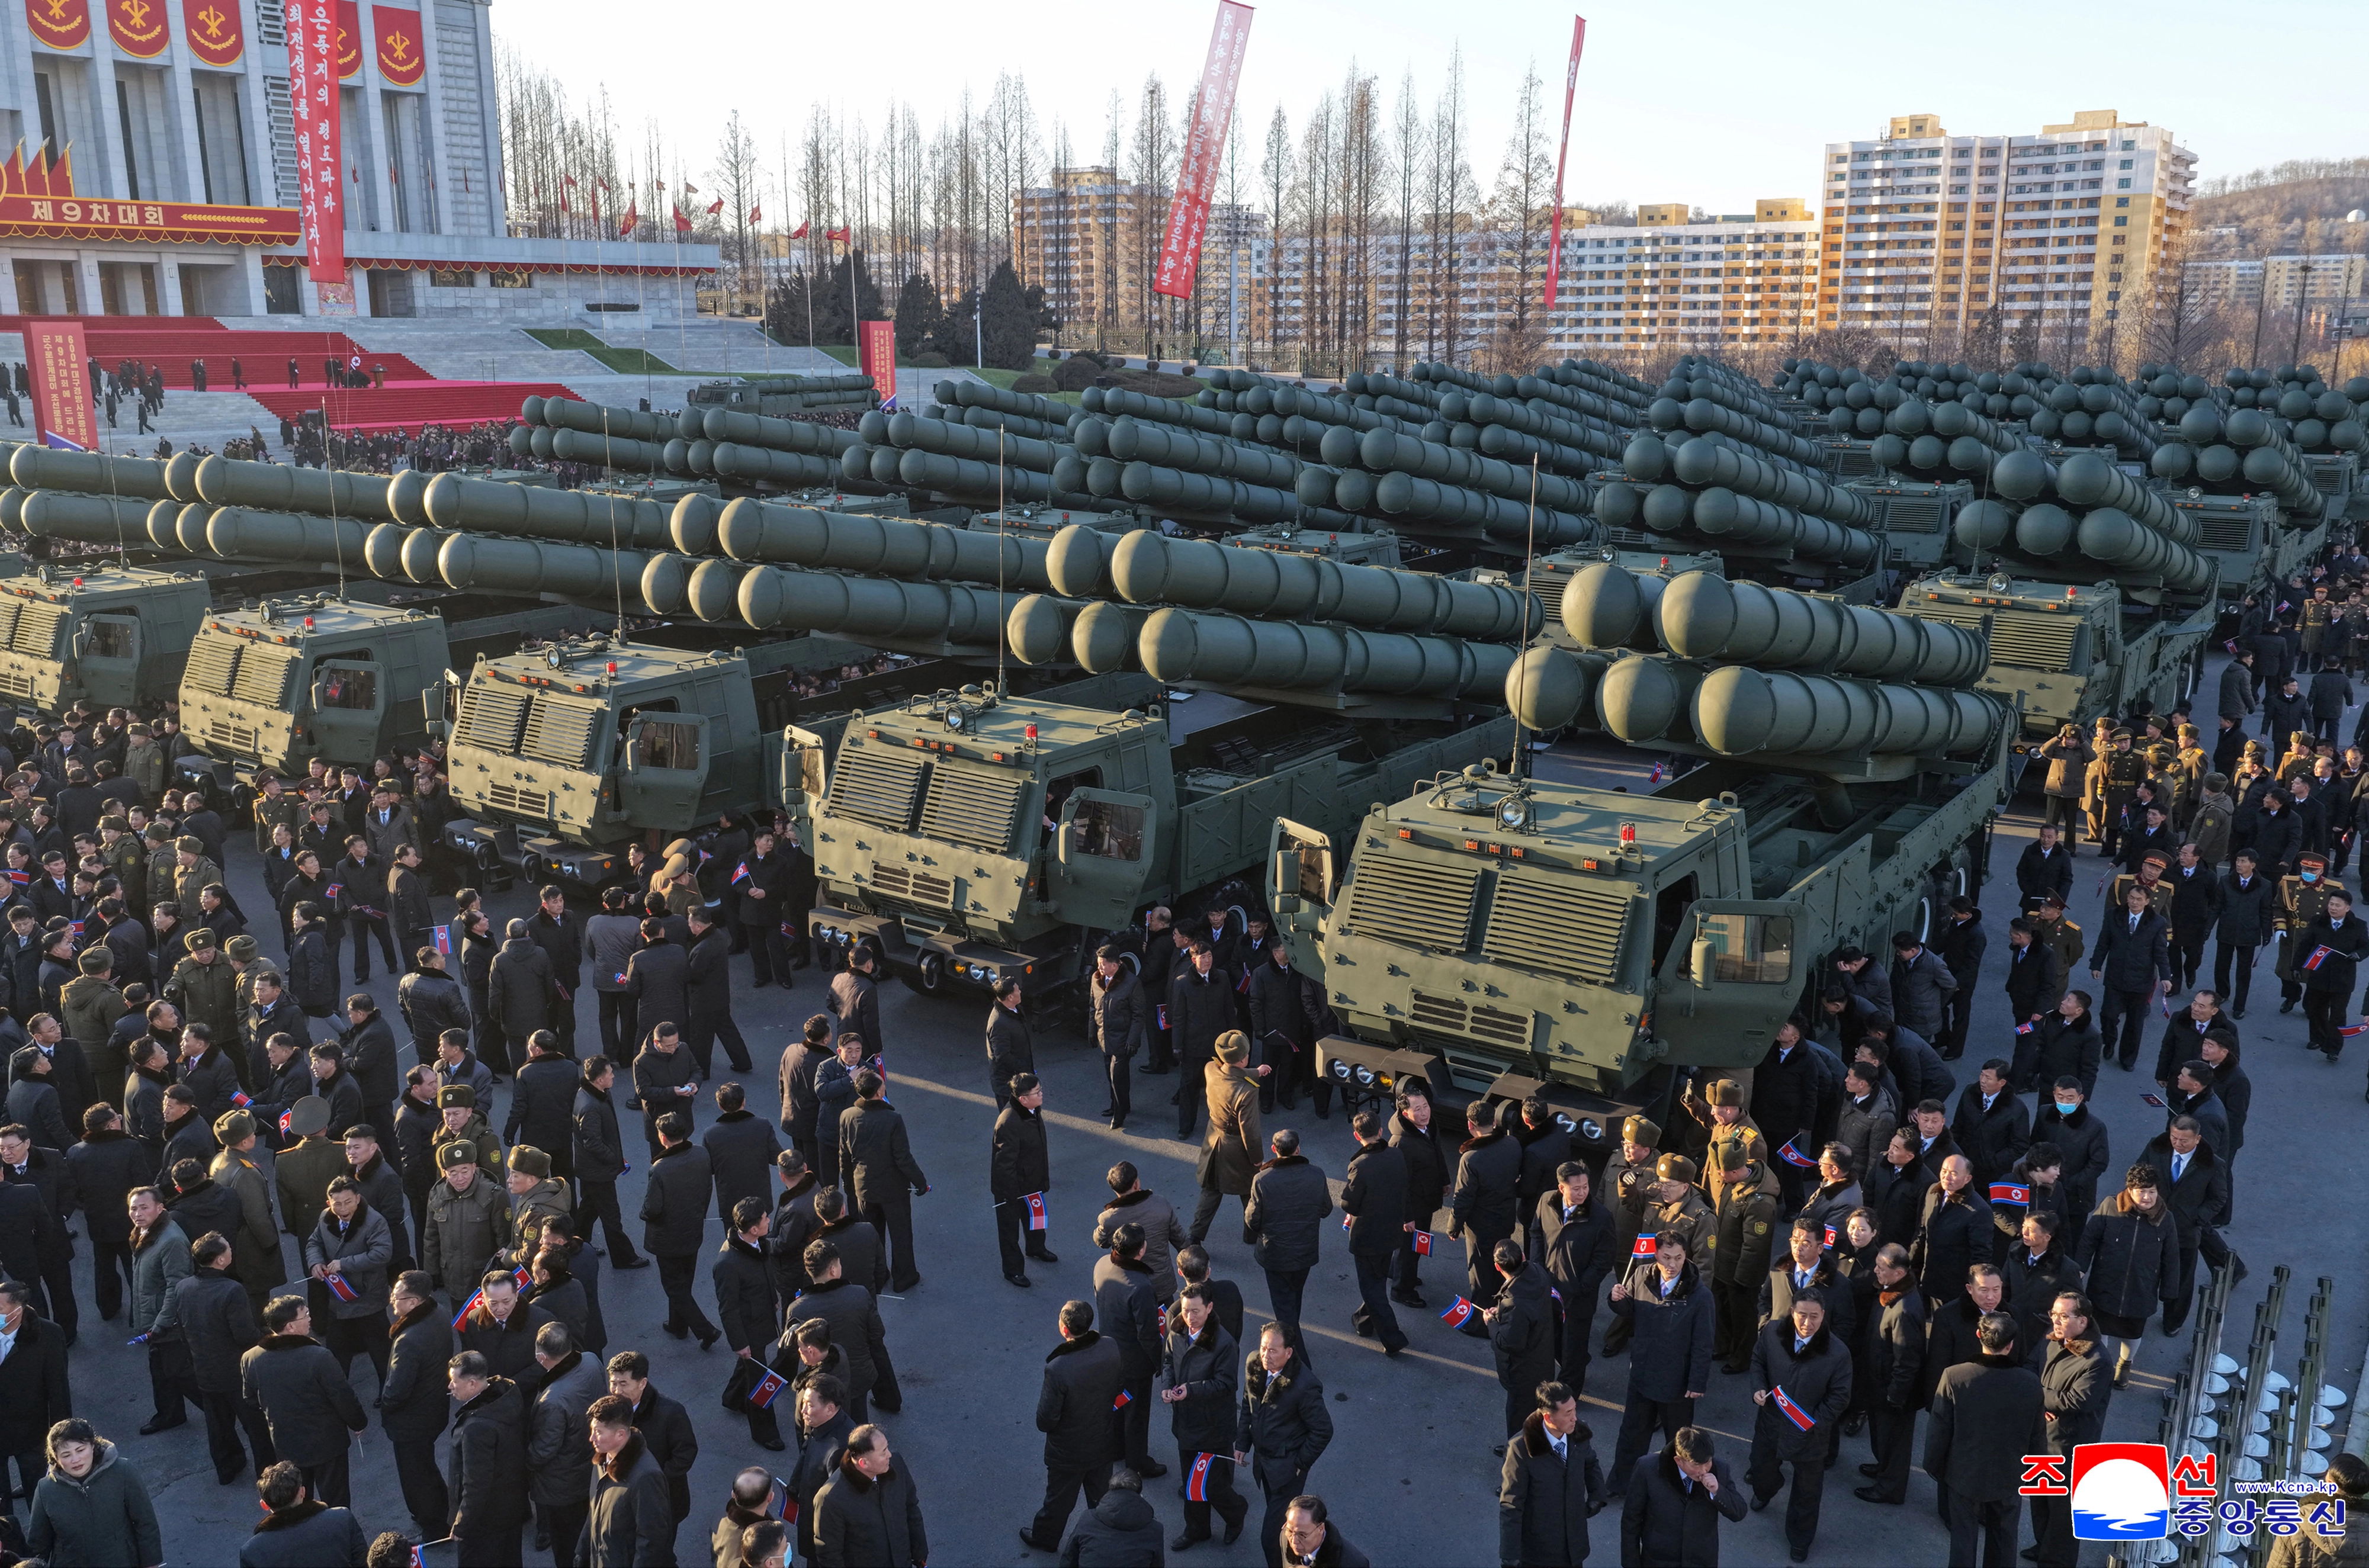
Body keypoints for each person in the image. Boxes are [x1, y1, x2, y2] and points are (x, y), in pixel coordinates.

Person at [1924, 1311, 2046, 1568]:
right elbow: (2037, 1435)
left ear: (1979, 1335)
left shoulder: (1955, 1376)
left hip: (1964, 1473)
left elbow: (1940, 1428)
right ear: (2011, 1344)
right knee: (2004, 1541)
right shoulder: (2030, 1383)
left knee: (1963, 1540)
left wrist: (1933, 1466)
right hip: (2010, 1475)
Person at [1744, 1291, 1852, 1564]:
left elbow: (1840, 1396)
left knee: (1807, 1494)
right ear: (1792, 1312)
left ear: (1823, 1316)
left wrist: (1815, 1422)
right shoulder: (1772, 1333)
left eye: (1814, 1317)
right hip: (1771, 1424)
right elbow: (1758, 1361)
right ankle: (1766, 1490)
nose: (1807, 1322)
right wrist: (1758, 1387)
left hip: (1810, 1436)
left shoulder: (1838, 1353)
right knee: (1761, 1472)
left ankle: (1800, 1540)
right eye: (1802, 1315)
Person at [241, 1293, 368, 1507]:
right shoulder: (319, 1357)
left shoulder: (251, 1358)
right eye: (306, 1315)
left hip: (286, 1444)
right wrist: (358, 1423)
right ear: (290, 1327)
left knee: (298, 1503)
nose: (310, 1318)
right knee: (336, 1501)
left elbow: (251, 1399)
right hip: (328, 1443)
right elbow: (342, 1396)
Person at [1607, 1232, 1713, 1485]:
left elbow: (1704, 1343)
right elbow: (1629, 1310)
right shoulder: (1642, 1275)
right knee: (1632, 1433)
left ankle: (1674, 1487)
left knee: (1677, 1442)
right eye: (1666, 1257)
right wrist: (1616, 1300)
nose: (1672, 1265)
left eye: (1678, 1257)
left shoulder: (1700, 1296)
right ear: (1656, 1255)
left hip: (1676, 1383)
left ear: (1686, 1256)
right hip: (1642, 1373)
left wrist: (1697, 1382)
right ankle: (1620, 1483)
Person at [1020, 1297, 1123, 1554]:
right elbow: (1118, 1388)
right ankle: (1105, 1541)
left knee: (1059, 1500)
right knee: (1102, 1497)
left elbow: (1046, 1420)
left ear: (1065, 1329)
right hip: (1102, 1440)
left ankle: (1046, 1538)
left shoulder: (1058, 1368)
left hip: (1068, 1451)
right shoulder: (1110, 1347)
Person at [1235, 1320, 1332, 1568]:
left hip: (1287, 1470)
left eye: (1273, 1350)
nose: (1265, 1355)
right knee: (1283, 1528)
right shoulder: (1254, 1364)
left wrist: (1300, 1463)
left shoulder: (1304, 1386)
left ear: (1289, 1353)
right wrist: (1243, 1443)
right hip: (1265, 1464)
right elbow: (1249, 1403)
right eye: (1264, 1348)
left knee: (1270, 1537)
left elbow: (1323, 1430)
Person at [1160, 1284, 1246, 1549]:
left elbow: (1226, 1385)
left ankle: (1236, 1514)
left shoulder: (1224, 1344)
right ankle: (1197, 1529)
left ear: (1209, 1308)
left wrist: (1190, 1391)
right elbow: (1168, 1361)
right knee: (1191, 1483)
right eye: (1186, 1310)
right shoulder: (1177, 1330)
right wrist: (1167, 1385)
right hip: (1186, 1422)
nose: (1189, 1317)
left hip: (1213, 1426)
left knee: (1213, 1485)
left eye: (1196, 1311)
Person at [2031, 1292, 2111, 1568]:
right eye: (2054, 1313)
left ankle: (2057, 1561)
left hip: (2070, 1444)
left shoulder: (2097, 1360)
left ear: (2082, 1321)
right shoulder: (2051, 1339)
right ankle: (2043, 1547)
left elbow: (2078, 1400)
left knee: (2063, 1510)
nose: (2056, 1320)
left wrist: (2039, 1396)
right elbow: (2031, 1368)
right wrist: (2039, 1401)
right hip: (2043, 1435)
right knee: (2040, 1496)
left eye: (2064, 1316)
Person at [2139, 1116, 2238, 1335]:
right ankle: (2139, 1314)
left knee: (2181, 1281)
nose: (2178, 1143)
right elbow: (2138, 1174)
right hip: (2152, 1224)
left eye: (2184, 1140)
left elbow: (2219, 1198)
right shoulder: (2156, 1148)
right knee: (2145, 1273)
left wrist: (2196, 1218)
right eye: (2174, 1137)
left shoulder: (2212, 1164)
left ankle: (2173, 1321)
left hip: (2185, 1232)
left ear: (2198, 1139)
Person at [1848, 1244, 1930, 1507]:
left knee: (1894, 1441)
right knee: (1883, 1436)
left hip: (1893, 1392)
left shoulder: (1904, 1309)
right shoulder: (1890, 1294)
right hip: (1879, 1383)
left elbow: (1907, 1360)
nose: (1876, 1271)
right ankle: (1884, 1467)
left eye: (1881, 1269)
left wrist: (1895, 1396)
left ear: (1898, 1273)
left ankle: (1889, 1488)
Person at [26, 1416, 164, 1568]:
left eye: (80, 1450)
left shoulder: (123, 1472)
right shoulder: (45, 1489)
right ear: (56, 1458)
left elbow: (145, 1523)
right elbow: (38, 1544)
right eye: (66, 1455)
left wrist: (151, 1564)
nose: (75, 1459)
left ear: (93, 1445)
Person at [1246, 1126, 1331, 1370]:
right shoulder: (1316, 1174)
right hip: (1305, 1251)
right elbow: (1326, 1210)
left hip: (1275, 1254)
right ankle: (1293, 1337)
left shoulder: (1263, 1180)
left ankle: (1298, 1361)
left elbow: (1252, 1221)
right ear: (1298, 1149)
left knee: (1284, 1306)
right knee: (1294, 1298)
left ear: (1274, 1150)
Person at [378, 1270, 454, 1543]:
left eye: (396, 1297)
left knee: (416, 1477)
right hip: (434, 1409)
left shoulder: (408, 1340)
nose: (391, 1301)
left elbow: (396, 1391)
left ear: (413, 1302)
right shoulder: (440, 1312)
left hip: (412, 1422)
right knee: (426, 1467)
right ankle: (442, 1510)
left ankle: (433, 1526)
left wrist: (385, 1405)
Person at [1498, 1379, 1604, 1568]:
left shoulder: (1578, 1432)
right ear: (1548, 1418)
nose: (1575, 1418)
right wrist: (1510, 1555)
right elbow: (1512, 1504)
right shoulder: (1520, 1449)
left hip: (1574, 1544)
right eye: (1568, 1413)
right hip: (1540, 1551)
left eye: (1575, 1409)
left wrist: (1597, 1495)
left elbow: (1591, 1463)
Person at [839, 1067, 928, 1292]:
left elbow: (844, 1155)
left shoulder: (847, 1116)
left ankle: (876, 1278)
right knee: (901, 1235)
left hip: (863, 1187)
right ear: (879, 1093)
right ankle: (905, 1277)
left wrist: (849, 1186)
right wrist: (920, 1182)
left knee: (871, 1236)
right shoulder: (892, 1119)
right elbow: (903, 1158)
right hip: (893, 1189)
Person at [304, 1173, 394, 1389]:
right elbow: (314, 1243)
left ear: (358, 1199)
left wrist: (345, 1263)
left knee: (381, 1354)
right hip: (339, 1300)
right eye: (337, 1204)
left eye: (348, 1202)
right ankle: (337, 1395)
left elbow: (383, 1253)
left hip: (368, 1299)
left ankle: (389, 1392)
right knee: (336, 1354)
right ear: (329, 1203)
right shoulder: (326, 1218)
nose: (343, 1209)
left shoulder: (374, 1221)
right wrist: (316, 1263)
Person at [786, 1241, 890, 1425]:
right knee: (858, 1422)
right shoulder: (859, 1294)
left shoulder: (797, 1309)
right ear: (833, 1270)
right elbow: (877, 1333)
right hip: (858, 1375)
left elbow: (796, 1352)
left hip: (822, 1385)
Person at [1092, 1222, 1164, 1483]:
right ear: (1141, 1251)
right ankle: (1137, 1462)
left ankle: (1115, 1447)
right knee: (1136, 1412)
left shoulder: (1102, 1265)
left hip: (1108, 1351)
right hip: (1134, 1362)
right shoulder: (1141, 1287)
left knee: (1117, 1403)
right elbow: (1148, 1333)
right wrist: (1160, 1362)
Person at [643, 1110, 720, 1349]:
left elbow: (652, 1208)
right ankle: (678, 1325)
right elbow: (707, 1189)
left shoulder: (661, 1168)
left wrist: (643, 1214)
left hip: (667, 1236)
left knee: (675, 1287)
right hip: (693, 1227)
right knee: (684, 1281)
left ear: (663, 1137)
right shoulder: (701, 1154)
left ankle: (705, 1330)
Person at [609, 1350, 699, 1548]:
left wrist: (655, 1481)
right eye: (613, 1383)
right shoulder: (610, 1410)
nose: (616, 1391)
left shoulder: (671, 1413)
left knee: (658, 1553)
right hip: (622, 1501)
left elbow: (686, 1453)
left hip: (662, 1502)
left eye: (624, 1384)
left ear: (642, 1383)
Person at [0, 1279, 70, 1534]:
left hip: (30, 1430)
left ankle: (43, 1543)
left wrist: (63, 1438)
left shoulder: (49, 1335)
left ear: (18, 1309)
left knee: (38, 1493)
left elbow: (59, 1390)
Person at [1340, 1109, 1411, 1356]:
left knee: (1371, 1288)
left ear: (1356, 1136)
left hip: (1367, 1236)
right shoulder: (1396, 1155)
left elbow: (1350, 1204)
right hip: (1391, 1230)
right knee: (1378, 1280)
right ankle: (1363, 1321)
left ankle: (1393, 1339)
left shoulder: (1359, 1165)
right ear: (1381, 1131)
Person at [813, 1423, 927, 1567]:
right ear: (864, 1463)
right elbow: (829, 1555)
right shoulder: (831, 1499)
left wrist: (920, 1552)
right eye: (883, 1452)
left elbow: (911, 1508)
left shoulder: (896, 1464)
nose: (890, 1455)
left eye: (887, 1448)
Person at [582, 1392, 675, 1568]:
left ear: (620, 1435)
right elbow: (594, 1515)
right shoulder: (602, 1462)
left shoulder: (646, 1477)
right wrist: (581, 1554)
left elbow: (651, 1541)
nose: (592, 1438)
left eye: (598, 1432)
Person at [1191, 1032, 1267, 1243]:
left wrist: (1256, 1072)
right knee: (1250, 1194)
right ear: (1244, 1058)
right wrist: (1257, 1158)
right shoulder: (1247, 1091)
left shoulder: (1210, 1070)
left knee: (1211, 1192)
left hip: (1214, 1141)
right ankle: (1251, 1236)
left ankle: (1195, 1236)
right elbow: (1250, 1130)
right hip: (1237, 1148)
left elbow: (1229, 1070)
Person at [2090, 881, 2174, 1071]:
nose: (2134, 902)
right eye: (2131, 898)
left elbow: (2161, 952)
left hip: (2141, 979)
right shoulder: (2113, 915)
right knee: (2108, 1015)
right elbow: (2104, 942)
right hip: (2116, 975)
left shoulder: (2157, 922)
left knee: (2135, 1024)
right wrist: (2096, 965)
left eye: (2139, 899)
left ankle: (2128, 1058)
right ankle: (2109, 1041)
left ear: (2147, 902)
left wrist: (2166, 977)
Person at [572, 1056, 646, 1270]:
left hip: (591, 1168)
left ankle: (578, 1244)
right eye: (609, 1073)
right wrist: (614, 1157)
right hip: (597, 1171)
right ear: (599, 1079)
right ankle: (624, 1257)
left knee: (589, 1208)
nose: (613, 1076)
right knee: (612, 1217)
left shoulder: (594, 1095)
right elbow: (593, 1142)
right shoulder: (591, 1106)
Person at [1487, 1238, 1558, 1444]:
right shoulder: (1538, 1274)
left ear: (1497, 1267)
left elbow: (1509, 1342)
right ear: (1524, 1258)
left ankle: (1518, 1454)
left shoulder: (1514, 1302)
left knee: (1519, 1418)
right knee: (1536, 1414)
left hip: (1522, 1372)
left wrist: (1491, 1323)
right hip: (1542, 1358)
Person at [993, 1071, 1058, 1288]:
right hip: (1012, 1189)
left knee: (1037, 1219)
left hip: (1032, 1181)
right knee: (1009, 1231)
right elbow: (1004, 1165)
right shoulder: (1009, 1122)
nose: (1042, 1095)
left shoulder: (1031, 1110)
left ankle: (1036, 1248)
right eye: (1037, 1092)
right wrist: (1011, 1194)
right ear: (1023, 1098)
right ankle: (1012, 1271)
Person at [237, 1459, 368, 1567]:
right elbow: (363, 1563)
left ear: (264, 1505)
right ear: (303, 1493)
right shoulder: (342, 1518)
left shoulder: (252, 1552)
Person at [1169, 939, 1236, 1139]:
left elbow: (1229, 1010)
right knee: (1189, 1085)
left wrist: (1234, 1037)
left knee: (1222, 1087)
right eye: (1203, 957)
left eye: (1210, 956)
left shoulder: (1222, 977)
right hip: (1193, 1045)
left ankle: (1224, 1124)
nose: (1208, 961)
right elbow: (1178, 1017)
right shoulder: (1182, 982)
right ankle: (1185, 1127)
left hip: (1218, 1045)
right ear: (1193, 959)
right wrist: (1177, 1046)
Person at [683, 905, 752, 1077]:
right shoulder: (719, 936)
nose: (689, 927)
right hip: (720, 996)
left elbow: (694, 976)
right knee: (727, 1030)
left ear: (699, 926)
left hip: (704, 1001)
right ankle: (742, 1062)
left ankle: (701, 1072)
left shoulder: (702, 949)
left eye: (691, 924)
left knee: (701, 1039)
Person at [1087, 944, 1145, 1133]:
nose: (1100, 968)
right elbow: (1092, 1007)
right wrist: (1091, 1031)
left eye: (1103, 965)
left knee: (1118, 1077)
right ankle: (1119, 1105)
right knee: (1110, 1076)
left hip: (1123, 1039)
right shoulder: (1097, 980)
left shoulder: (1132, 983)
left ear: (1115, 964)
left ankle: (1119, 1115)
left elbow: (1139, 1014)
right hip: (1105, 1038)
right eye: (1098, 964)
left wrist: (1133, 1040)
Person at [1055, 1467, 1164, 1566]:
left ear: (1111, 1490)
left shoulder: (1087, 1518)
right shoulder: (1155, 1529)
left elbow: (1069, 1558)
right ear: (1140, 1495)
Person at [986, 977, 1035, 1110]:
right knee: (1013, 1122)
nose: (1020, 991)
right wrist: (1024, 1069)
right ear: (1010, 997)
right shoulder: (999, 1024)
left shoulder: (1015, 1010)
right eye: (1018, 990)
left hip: (1020, 1081)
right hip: (1009, 1087)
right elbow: (1002, 1056)